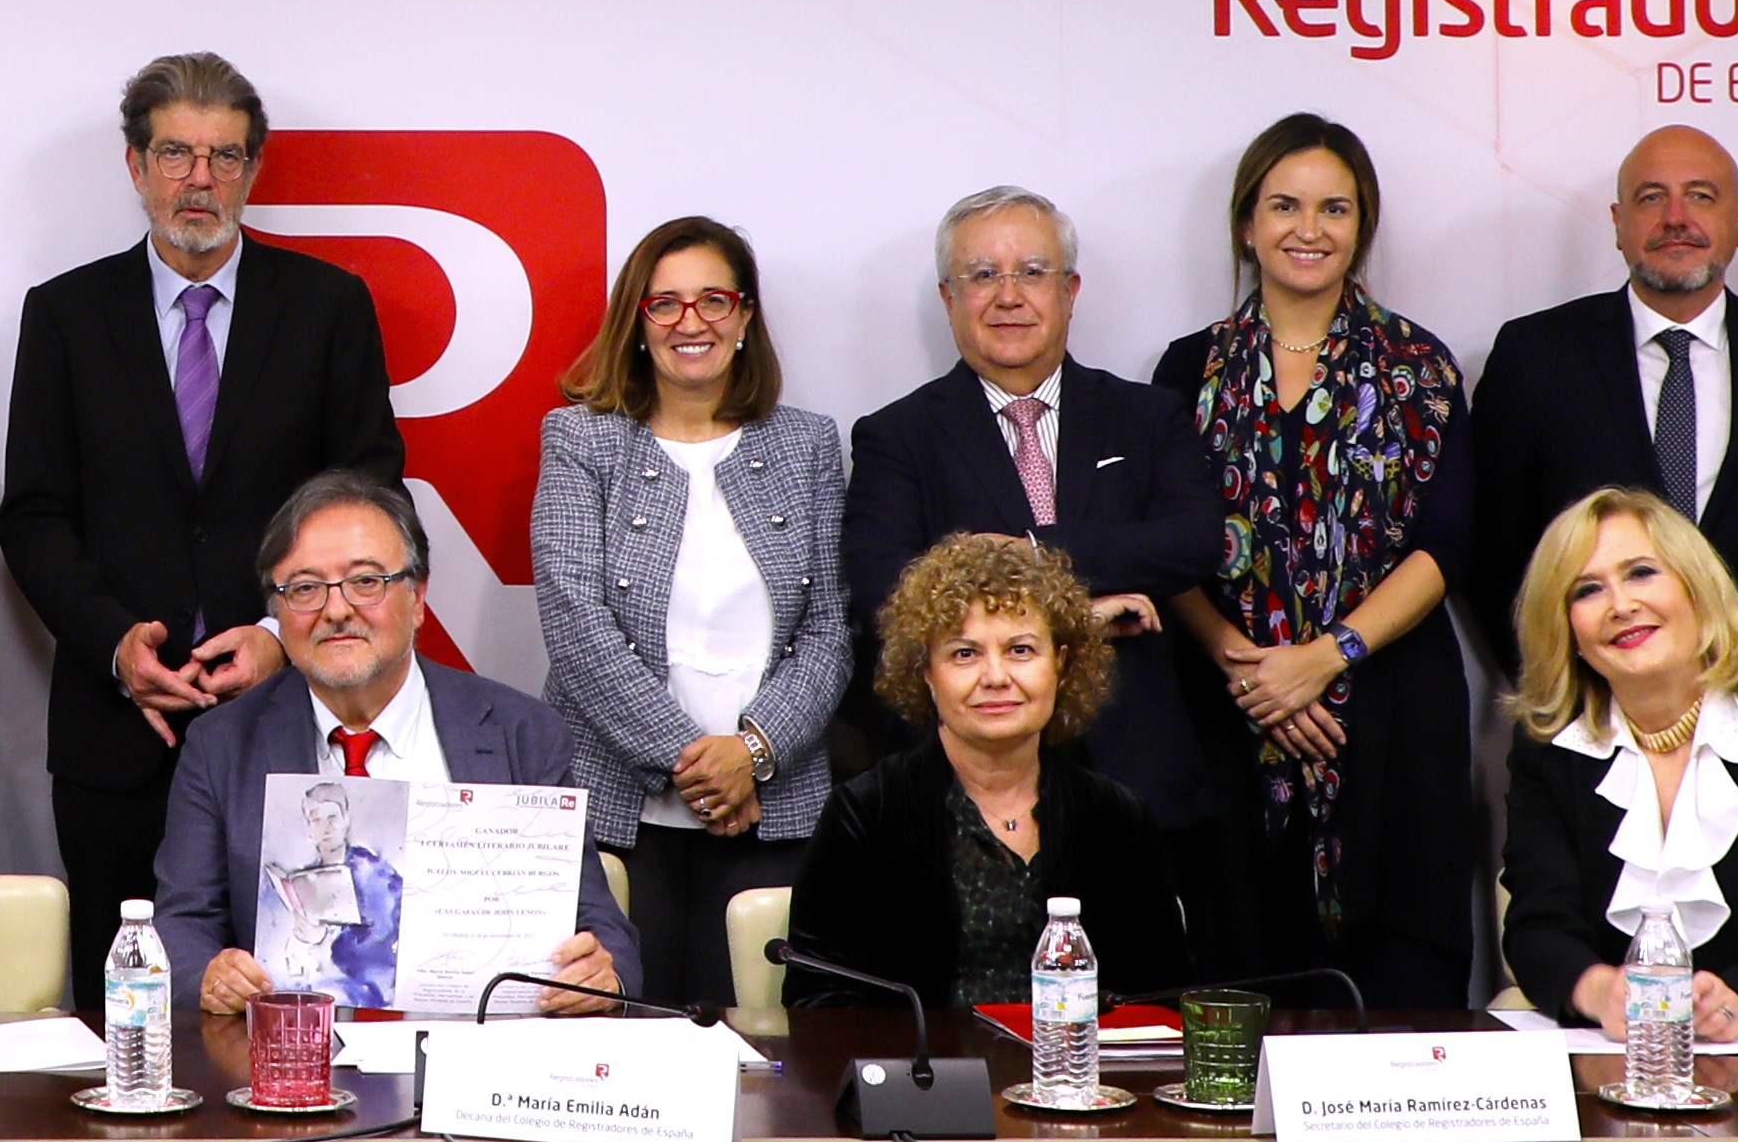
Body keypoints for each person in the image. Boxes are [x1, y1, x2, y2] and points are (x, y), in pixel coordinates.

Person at [0, 52, 406, 1010]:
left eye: (224, 157)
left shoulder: (328, 306)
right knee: (126, 1010)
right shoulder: (63, 314)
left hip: (287, 720)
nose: (199, 180)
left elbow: (373, 494)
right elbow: (34, 515)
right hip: (114, 733)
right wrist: (110, 642)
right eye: (176, 154)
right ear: (135, 166)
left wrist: (279, 635)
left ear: (253, 171)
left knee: (297, 994)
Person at [842, 187, 1239, 953]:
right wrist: (1067, 616)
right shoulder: (898, 436)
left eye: (1031, 271)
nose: (1009, 296)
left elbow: (1193, 541)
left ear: (1070, 290)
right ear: (948, 298)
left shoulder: (1147, 415)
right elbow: (885, 587)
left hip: (1139, 779)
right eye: (982, 276)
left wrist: (1025, 552)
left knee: (1143, 1027)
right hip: (961, 792)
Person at [1154, 114, 1486, 1006]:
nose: (1310, 229)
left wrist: (1322, 658)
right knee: (1237, 991)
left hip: (1388, 717)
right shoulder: (1191, 370)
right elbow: (1166, 548)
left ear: (1361, 226)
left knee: (1399, 1006)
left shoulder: (1420, 367)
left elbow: (1443, 546)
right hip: (1232, 714)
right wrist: (1255, 671)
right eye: (1285, 205)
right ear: (1246, 224)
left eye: (1334, 208)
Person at [152, 473, 628, 1016]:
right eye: (305, 588)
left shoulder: (519, 731)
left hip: (474, 1067)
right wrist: (211, 976)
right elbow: (181, 927)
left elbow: (602, 929)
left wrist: (601, 973)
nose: (335, 611)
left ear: (418, 598)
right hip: (294, 1070)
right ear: (277, 613)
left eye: (366, 582)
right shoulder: (222, 744)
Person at [528, 215, 849, 1013]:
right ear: (636, 323)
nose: (689, 322)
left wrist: (753, 753)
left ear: (744, 318)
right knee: (620, 1040)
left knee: (767, 1057)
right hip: (618, 817)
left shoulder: (810, 444)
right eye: (663, 304)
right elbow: (574, 623)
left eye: (712, 300)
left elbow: (833, 629)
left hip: (774, 814)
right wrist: (700, 766)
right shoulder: (579, 439)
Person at [1466, 123, 1738, 699]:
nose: (1676, 217)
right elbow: (1494, 555)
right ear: (1618, 224)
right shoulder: (1534, 358)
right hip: (1589, 720)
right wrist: (1561, 687)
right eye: (1651, 197)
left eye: (1702, 197)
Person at [1494, 489, 1738, 1036]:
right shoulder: (1550, 756)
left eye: (1641, 573)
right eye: (1587, 590)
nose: (1620, 605)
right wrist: (1601, 989)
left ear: (1698, 591)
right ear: (1568, 632)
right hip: (1608, 1065)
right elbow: (1537, 929)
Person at [786, 533, 1190, 1011]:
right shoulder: (867, 813)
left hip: (1078, 1080)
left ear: (1060, 664)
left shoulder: (1118, 818)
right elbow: (818, 1002)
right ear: (926, 674)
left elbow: (1162, 999)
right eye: (964, 653)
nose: (996, 677)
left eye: (1021, 650)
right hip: (926, 1081)